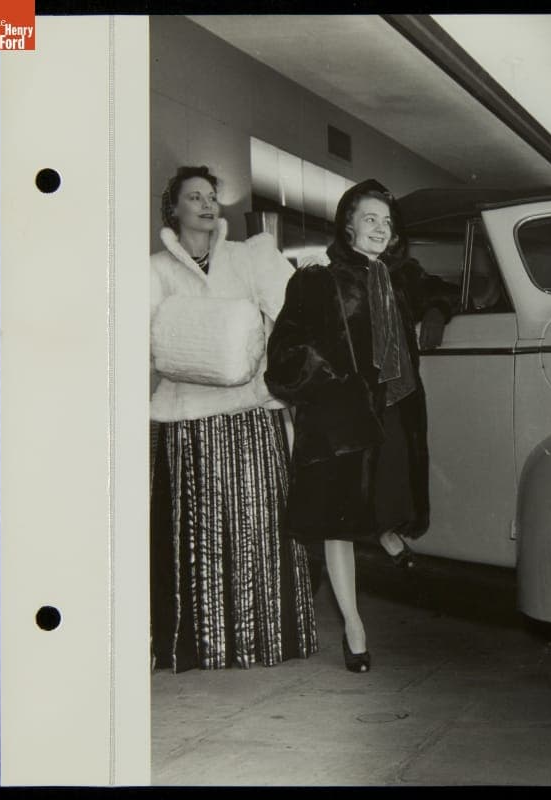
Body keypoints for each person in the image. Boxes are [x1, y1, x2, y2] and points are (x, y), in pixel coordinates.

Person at [265, 179, 455, 672]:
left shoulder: (401, 276)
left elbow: (443, 289)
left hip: (395, 408)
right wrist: (332, 378)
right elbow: (283, 354)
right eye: (370, 219)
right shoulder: (317, 280)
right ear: (347, 225)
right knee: (340, 524)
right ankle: (353, 627)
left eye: (386, 222)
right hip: (341, 421)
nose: (380, 229)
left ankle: (388, 536)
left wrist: (436, 312)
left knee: (387, 494)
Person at [149, 165, 318, 672]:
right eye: (193, 197)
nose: (206, 204)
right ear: (173, 208)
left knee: (258, 525)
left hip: (248, 413)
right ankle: (195, 645)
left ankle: (262, 639)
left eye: (211, 196)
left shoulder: (248, 257)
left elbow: (295, 314)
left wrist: (274, 372)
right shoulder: (153, 270)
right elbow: (143, 341)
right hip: (185, 418)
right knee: (194, 534)